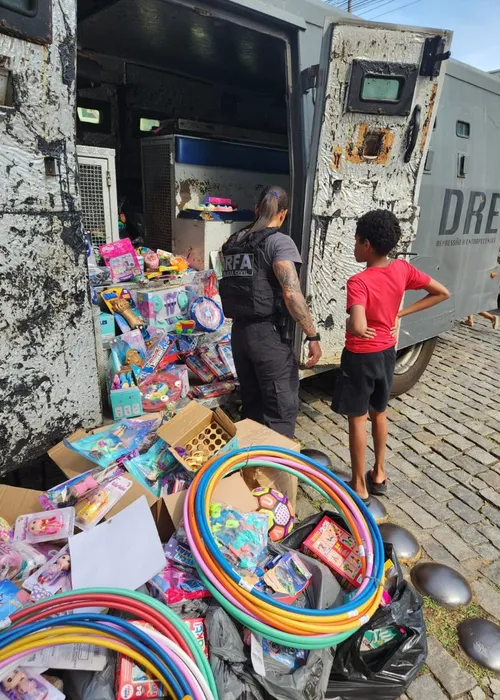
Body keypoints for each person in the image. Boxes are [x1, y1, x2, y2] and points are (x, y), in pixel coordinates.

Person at [331, 210, 450, 502]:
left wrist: (350, 324)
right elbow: (441, 292)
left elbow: (358, 326)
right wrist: (401, 313)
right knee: (379, 413)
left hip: (360, 358)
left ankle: (359, 485)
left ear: (367, 245)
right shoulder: (402, 269)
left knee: (357, 419)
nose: (354, 246)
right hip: (386, 353)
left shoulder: (359, 282)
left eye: (356, 241)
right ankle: (379, 473)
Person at [219, 185, 322, 438]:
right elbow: (291, 293)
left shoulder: (232, 243)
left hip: (239, 335)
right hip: (268, 336)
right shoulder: (279, 242)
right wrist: (312, 335)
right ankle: (277, 473)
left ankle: (250, 468)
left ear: (256, 210)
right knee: (280, 409)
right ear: (283, 214)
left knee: (252, 405)